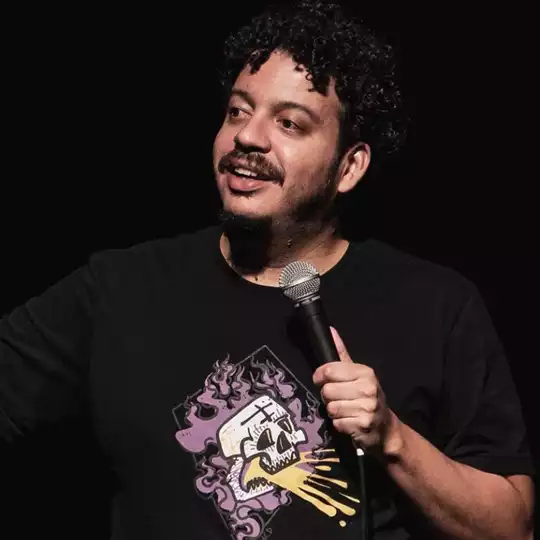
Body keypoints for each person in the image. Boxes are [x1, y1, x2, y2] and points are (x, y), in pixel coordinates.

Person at [0, 1, 535, 538]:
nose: (248, 137)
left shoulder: (435, 306)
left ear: (349, 166)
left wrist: (392, 439)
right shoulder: (122, 288)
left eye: (289, 123)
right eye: (238, 111)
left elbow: (512, 527)